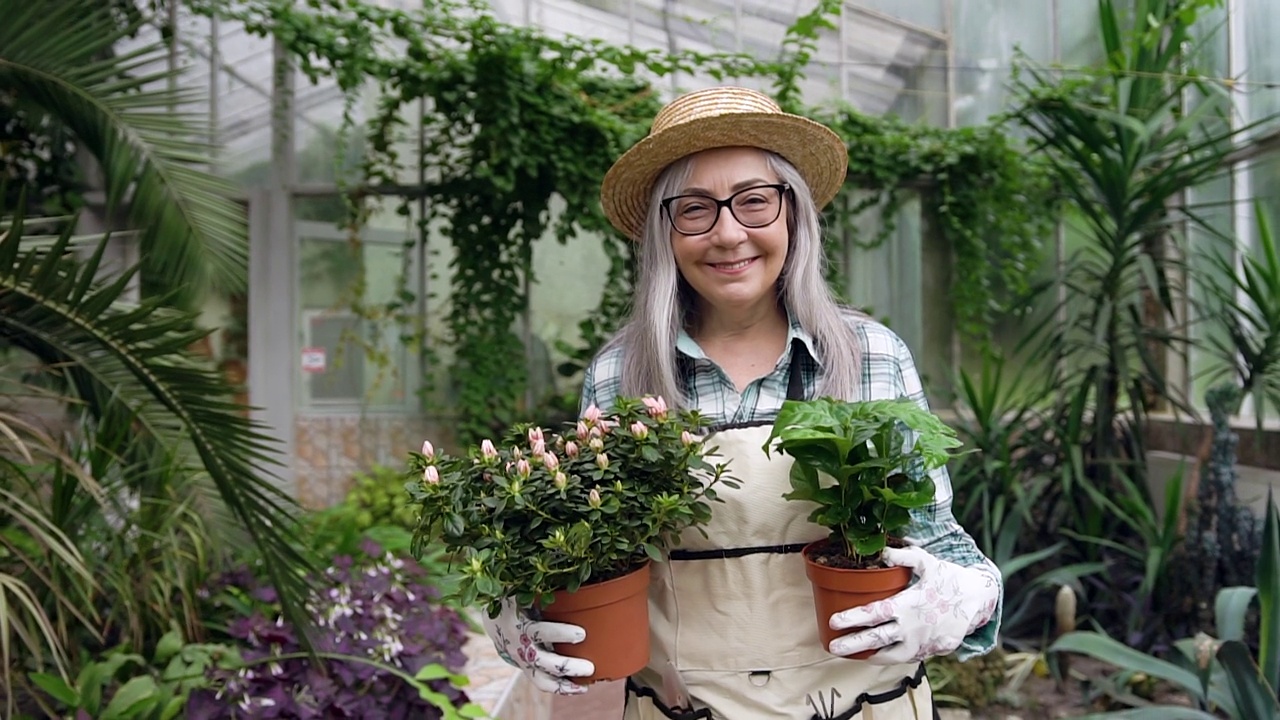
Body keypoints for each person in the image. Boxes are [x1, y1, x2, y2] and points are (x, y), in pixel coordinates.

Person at [482, 85, 1003, 720]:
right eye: (695, 210)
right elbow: (598, 565)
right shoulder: (622, 374)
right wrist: (525, 616)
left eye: (754, 202)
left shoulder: (869, 356)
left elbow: (936, 541)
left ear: (793, 215)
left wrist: (966, 595)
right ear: (664, 232)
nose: (728, 235)